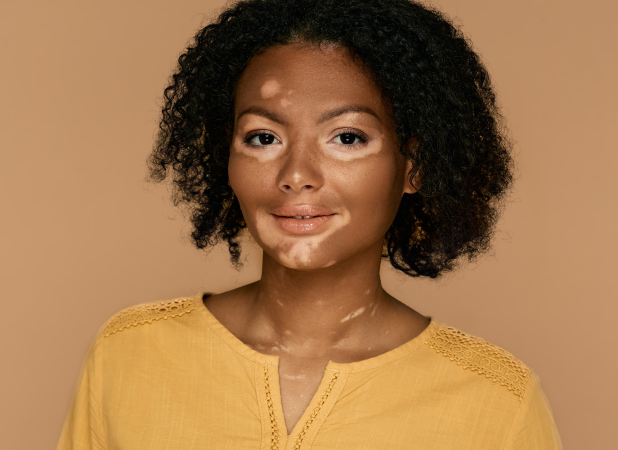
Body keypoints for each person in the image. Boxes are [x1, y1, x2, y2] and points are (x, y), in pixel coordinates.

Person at [57, 0, 562, 448]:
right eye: (262, 138)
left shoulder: (497, 402)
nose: (296, 175)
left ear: (414, 165)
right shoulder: (129, 355)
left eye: (346, 138)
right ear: (225, 158)